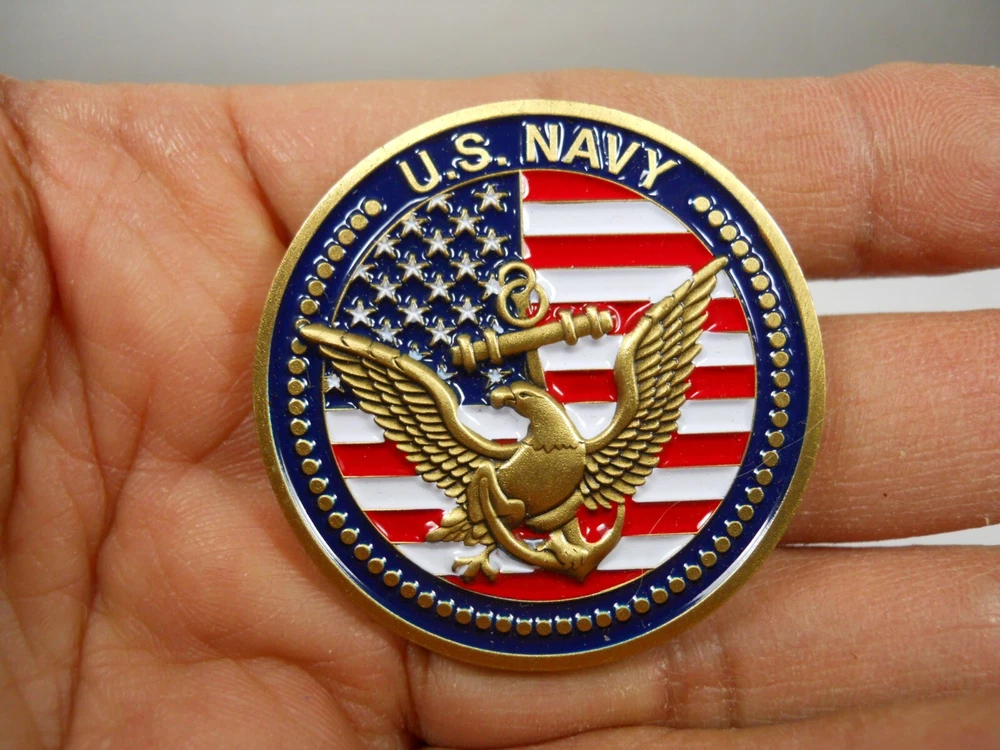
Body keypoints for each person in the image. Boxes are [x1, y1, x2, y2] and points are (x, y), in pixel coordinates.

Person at [0, 63, 997, 749]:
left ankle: (547, 551)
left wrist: (622, 333)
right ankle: (499, 547)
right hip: (501, 518)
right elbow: (402, 387)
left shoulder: (594, 436)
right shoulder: (488, 440)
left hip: (553, 520)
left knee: (635, 372)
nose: (522, 401)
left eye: (525, 397)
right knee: (429, 406)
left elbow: (642, 369)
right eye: (521, 398)